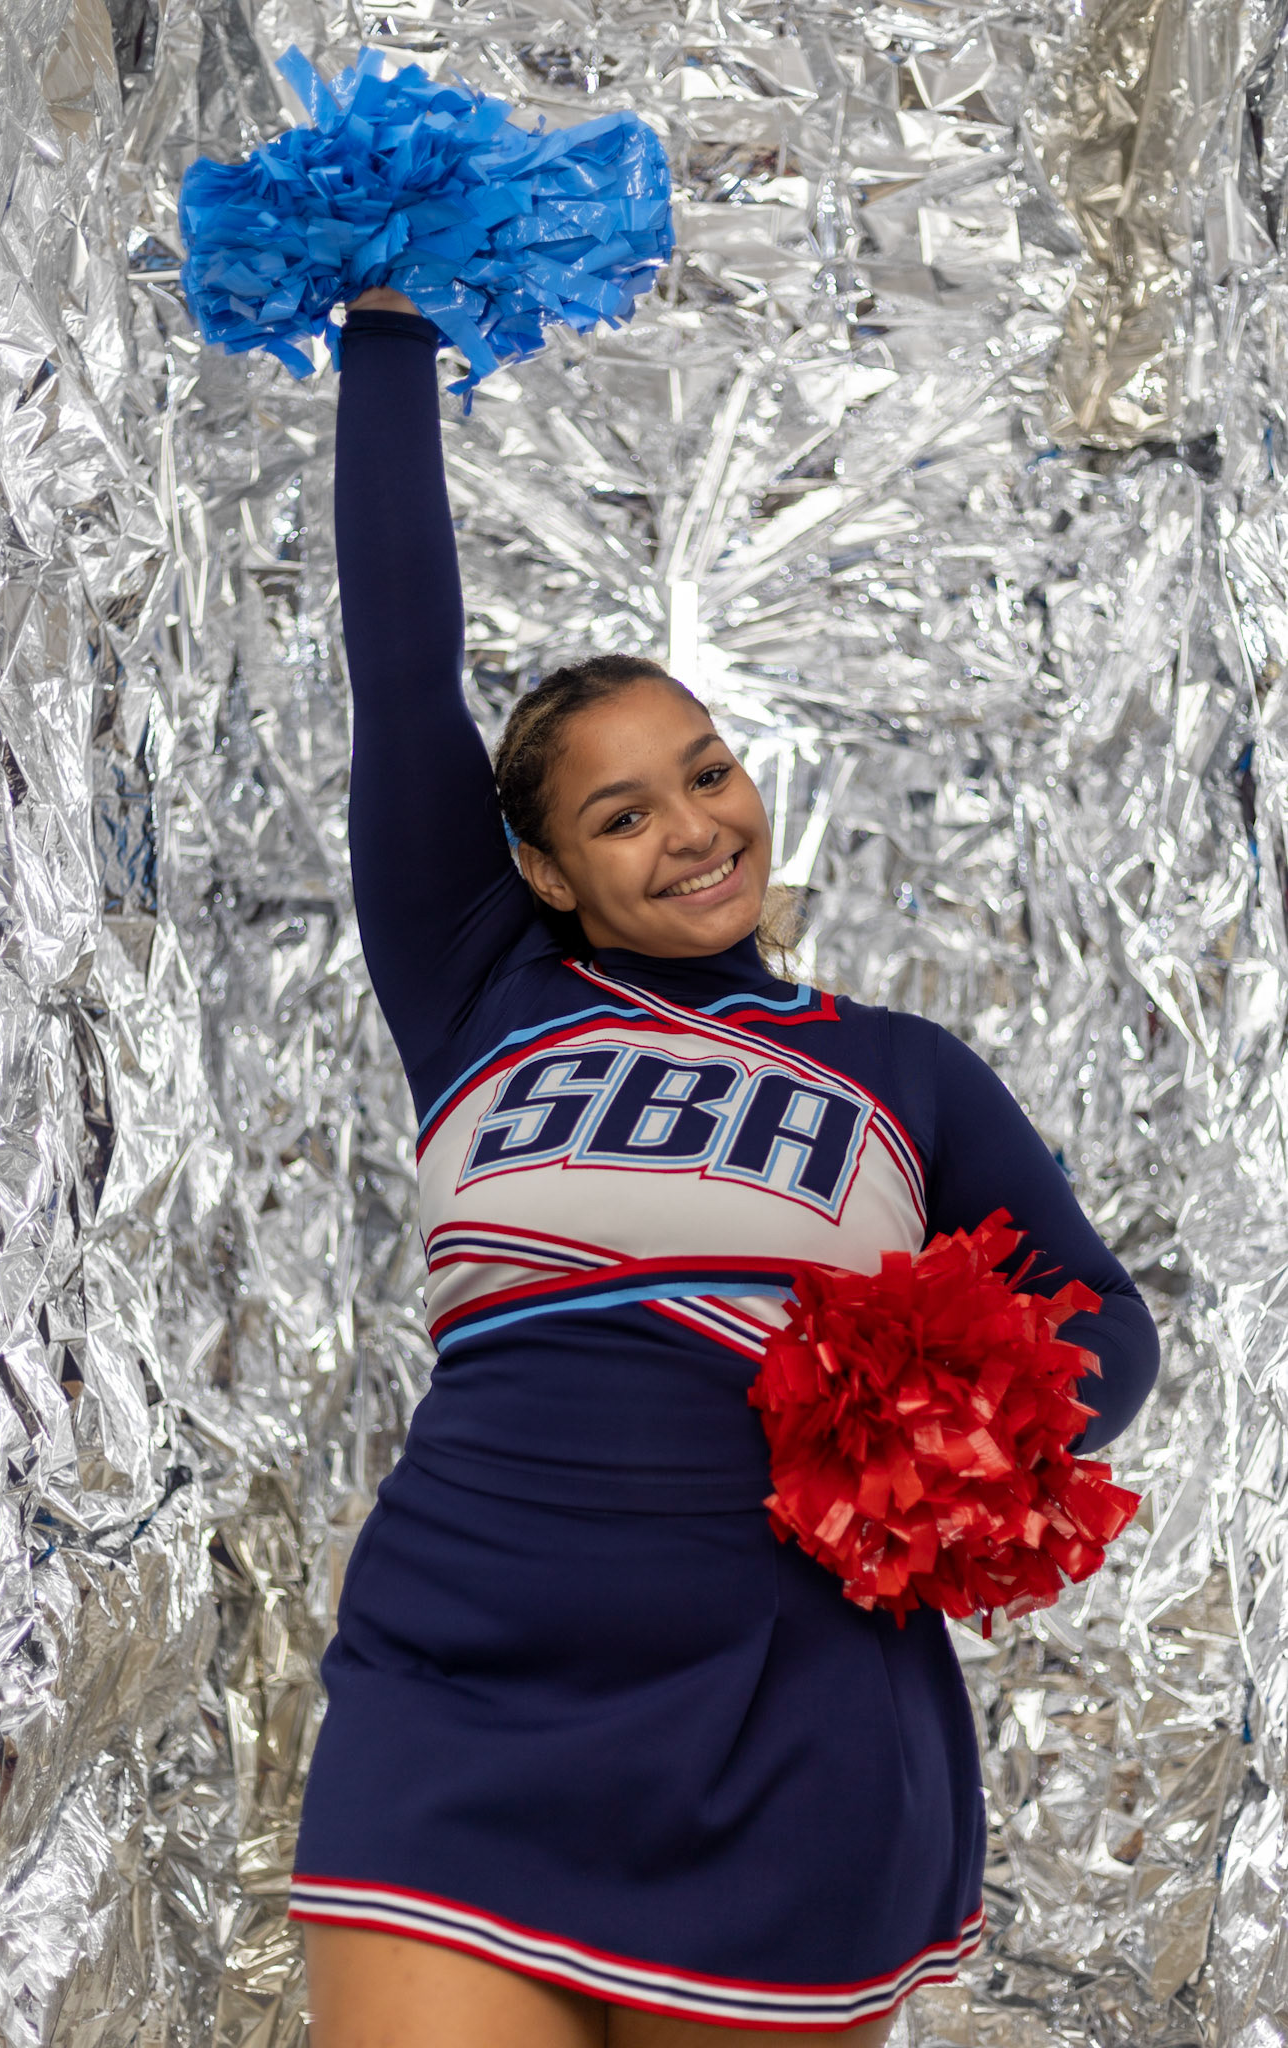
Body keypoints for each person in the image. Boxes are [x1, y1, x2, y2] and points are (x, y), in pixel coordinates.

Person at [289, 286, 1161, 2048]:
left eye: (706, 773)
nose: (694, 830)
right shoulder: (482, 989)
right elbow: (398, 659)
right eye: (622, 814)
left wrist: (953, 1424)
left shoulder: (899, 1071)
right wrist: (383, 330)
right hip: (455, 1682)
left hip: (785, 1713)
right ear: (541, 870)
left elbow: (1101, 1323)